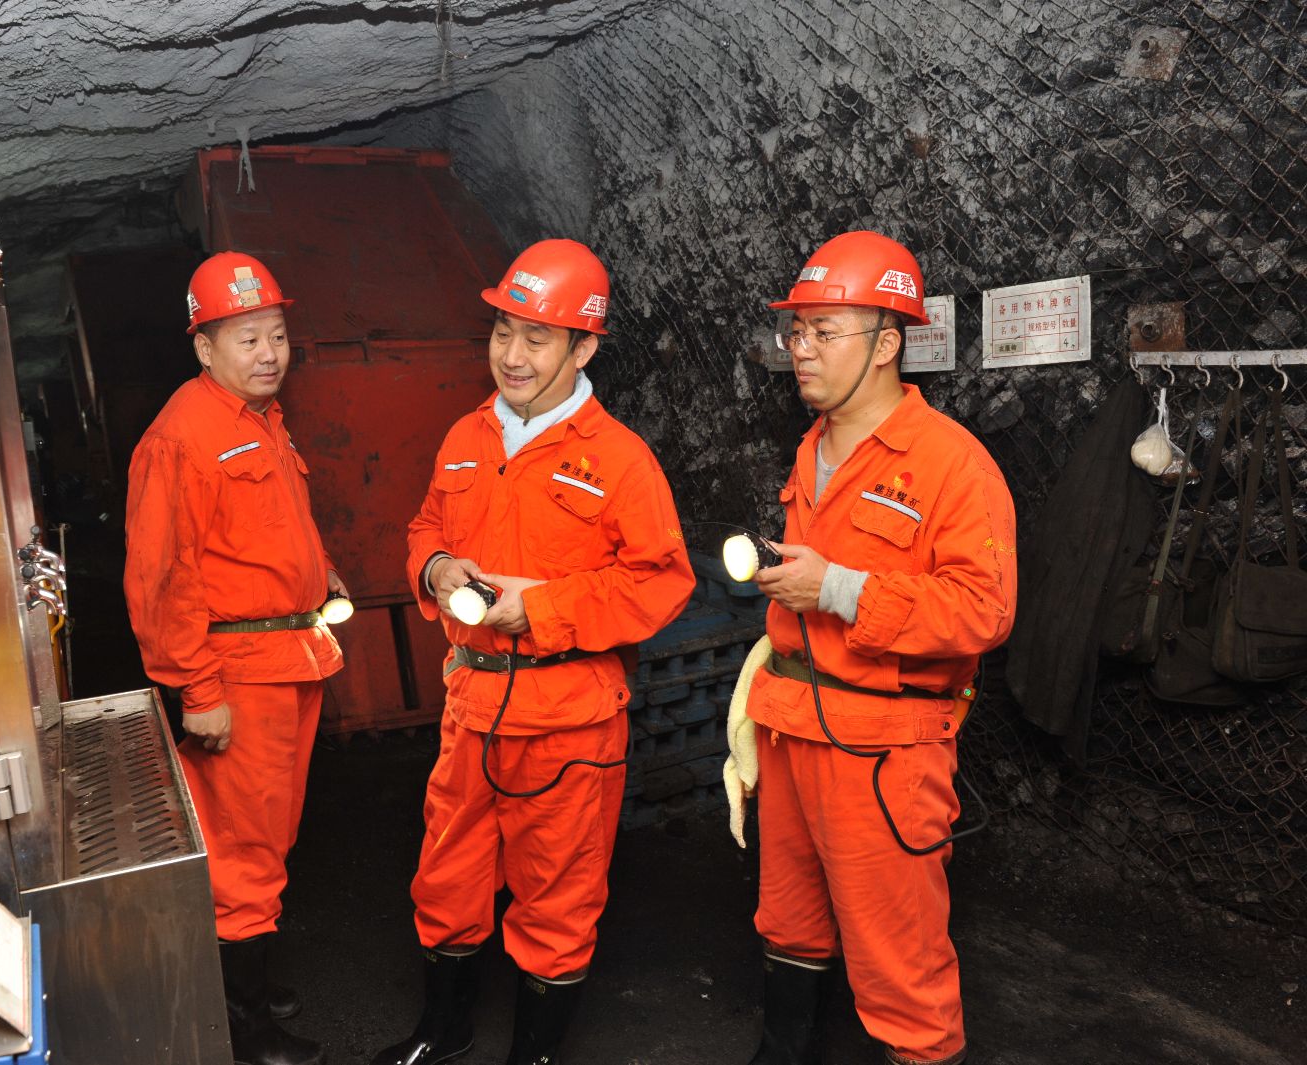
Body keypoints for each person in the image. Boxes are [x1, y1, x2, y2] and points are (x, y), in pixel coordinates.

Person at [375, 239, 696, 1065]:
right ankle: (441, 1033)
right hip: (472, 705)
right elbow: (425, 526)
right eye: (502, 331)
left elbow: (661, 583)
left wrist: (543, 607)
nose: (512, 356)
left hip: (567, 718)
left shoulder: (620, 460)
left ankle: (536, 1054)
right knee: (447, 877)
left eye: (537, 338)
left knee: (557, 895)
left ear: (583, 348)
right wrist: (435, 566)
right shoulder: (466, 436)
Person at [737, 231, 1017, 1065]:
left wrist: (838, 589)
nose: (801, 349)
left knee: (898, 956)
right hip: (792, 727)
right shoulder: (813, 448)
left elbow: (984, 610)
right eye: (797, 331)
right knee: (788, 919)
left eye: (825, 332)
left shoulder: (952, 465)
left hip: (882, 748)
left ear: (888, 343)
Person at [124, 251, 345, 1065]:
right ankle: (245, 1030)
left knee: (269, 837)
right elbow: (162, 577)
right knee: (243, 850)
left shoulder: (260, 418)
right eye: (247, 337)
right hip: (238, 673)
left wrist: (319, 573)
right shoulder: (182, 435)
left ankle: (245, 984)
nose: (268, 352)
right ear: (204, 347)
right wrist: (197, 688)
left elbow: (258, 533)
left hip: (290, 656)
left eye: (277, 334)